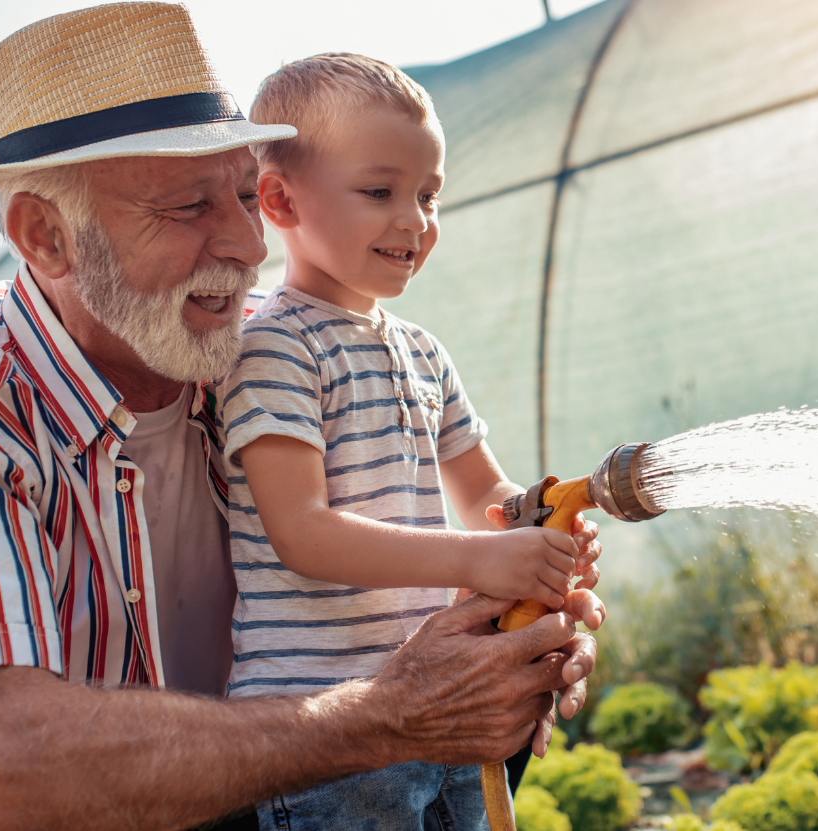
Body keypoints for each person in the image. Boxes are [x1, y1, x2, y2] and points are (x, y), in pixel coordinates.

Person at [0, 5, 604, 831]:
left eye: (247, 194)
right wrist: (386, 712)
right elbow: (2, 778)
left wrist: (519, 624)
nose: (249, 244)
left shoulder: (248, 346)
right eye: (188, 207)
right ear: (45, 236)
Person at [217, 54, 603, 830]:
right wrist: (475, 558)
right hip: (327, 735)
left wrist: (541, 530)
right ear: (280, 200)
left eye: (429, 195)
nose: (415, 220)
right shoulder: (274, 349)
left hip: (447, 702)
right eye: (380, 191)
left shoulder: (424, 351)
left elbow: (487, 499)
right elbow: (303, 532)